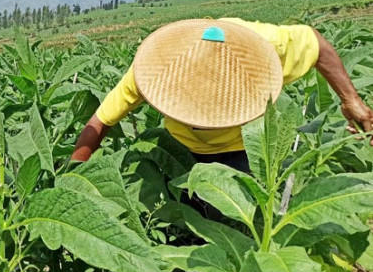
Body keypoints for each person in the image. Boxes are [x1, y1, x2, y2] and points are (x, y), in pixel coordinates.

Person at [71, 18, 373, 171]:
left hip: (247, 149)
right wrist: (76, 176)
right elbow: (98, 123)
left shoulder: (262, 47)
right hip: (179, 152)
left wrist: (352, 101)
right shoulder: (154, 68)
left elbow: (315, 43)